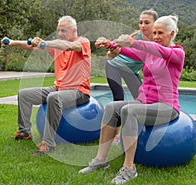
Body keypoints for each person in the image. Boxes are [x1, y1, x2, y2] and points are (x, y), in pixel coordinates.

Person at [79, 15, 184, 184]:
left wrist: (132, 41)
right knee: (112, 107)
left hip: (166, 107)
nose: (156, 36)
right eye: (154, 32)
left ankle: (129, 169)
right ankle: (100, 160)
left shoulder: (177, 53)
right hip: (145, 102)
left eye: (160, 33)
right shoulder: (149, 53)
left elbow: (158, 51)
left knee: (129, 111)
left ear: (172, 34)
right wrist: (110, 44)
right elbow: (127, 52)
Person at [1, 15, 91, 155]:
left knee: (54, 98)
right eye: (59, 30)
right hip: (58, 88)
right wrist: (12, 42)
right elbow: (31, 46)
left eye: (64, 31)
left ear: (74, 30)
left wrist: (46, 43)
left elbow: (69, 46)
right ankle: (24, 132)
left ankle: (48, 144)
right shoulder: (57, 45)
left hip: (79, 92)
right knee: (24, 95)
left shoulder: (83, 42)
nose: (60, 34)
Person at [106, 9, 158, 145]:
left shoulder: (157, 40)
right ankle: (115, 135)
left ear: (155, 24)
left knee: (142, 100)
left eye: (147, 22)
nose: (142, 25)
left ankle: (141, 131)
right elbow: (116, 45)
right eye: (140, 22)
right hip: (114, 65)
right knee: (118, 97)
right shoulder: (135, 36)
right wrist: (110, 49)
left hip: (131, 71)